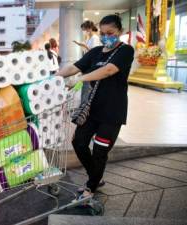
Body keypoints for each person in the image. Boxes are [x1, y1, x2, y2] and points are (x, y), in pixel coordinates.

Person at [55, 15, 134, 200]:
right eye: (104, 33)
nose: (107, 37)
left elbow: (108, 70)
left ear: (119, 32)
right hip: (92, 110)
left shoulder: (126, 51)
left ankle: (91, 186)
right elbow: (73, 67)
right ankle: (95, 177)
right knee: (79, 142)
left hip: (112, 112)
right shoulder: (96, 51)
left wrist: (81, 79)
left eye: (111, 33)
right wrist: (53, 78)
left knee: (100, 151)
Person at [73, 20, 102, 104]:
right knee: (84, 85)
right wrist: (82, 45)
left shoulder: (95, 38)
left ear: (89, 29)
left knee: (87, 86)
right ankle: (84, 104)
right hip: (88, 65)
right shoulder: (90, 38)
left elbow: (94, 52)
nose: (84, 32)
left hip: (91, 66)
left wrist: (84, 45)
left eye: (85, 30)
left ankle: (85, 106)